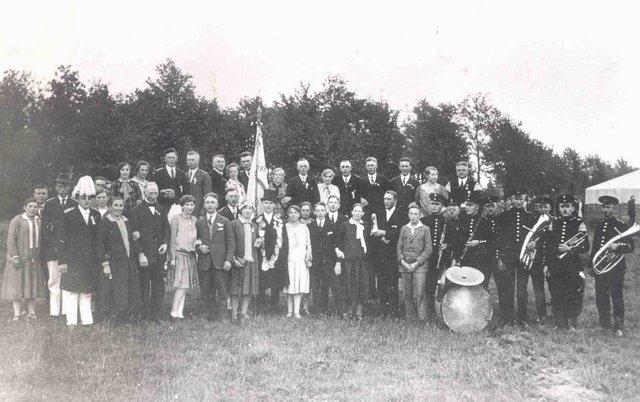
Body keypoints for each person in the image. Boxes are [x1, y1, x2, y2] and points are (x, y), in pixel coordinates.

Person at [58, 176, 101, 326]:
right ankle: (71, 321)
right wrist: (62, 261)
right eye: (83, 198)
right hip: (72, 258)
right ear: (77, 198)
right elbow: (62, 239)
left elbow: (98, 240)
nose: (87, 201)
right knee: (72, 290)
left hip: (90, 260)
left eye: (90, 198)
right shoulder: (68, 214)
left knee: (86, 290)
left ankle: (87, 320)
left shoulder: (96, 214)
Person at [543, 194, 590, 329]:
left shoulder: (578, 223)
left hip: (572, 266)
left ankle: (573, 323)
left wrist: (570, 249)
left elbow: (586, 246)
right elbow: (548, 246)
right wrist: (546, 264)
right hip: (556, 265)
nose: (564, 209)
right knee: (557, 293)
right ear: (559, 208)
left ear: (573, 208)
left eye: (567, 206)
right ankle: (560, 323)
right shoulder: (554, 223)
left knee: (572, 294)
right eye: (562, 207)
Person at [591, 195, 635, 337]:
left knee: (616, 296)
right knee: (601, 296)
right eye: (604, 207)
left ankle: (618, 326)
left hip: (616, 267)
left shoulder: (621, 225)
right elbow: (596, 247)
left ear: (614, 208)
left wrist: (617, 246)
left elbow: (630, 247)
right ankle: (604, 325)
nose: (606, 209)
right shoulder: (599, 225)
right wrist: (592, 264)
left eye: (608, 207)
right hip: (601, 266)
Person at [95, 197, 141, 323]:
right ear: (110, 206)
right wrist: (105, 263)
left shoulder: (127, 221)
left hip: (128, 261)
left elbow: (132, 240)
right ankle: (113, 318)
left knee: (129, 288)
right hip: (114, 262)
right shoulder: (105, 222)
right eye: (115, 205)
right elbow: (100, 245)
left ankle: (127, 316)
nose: (118, 208)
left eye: (121, 205)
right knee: (115, 289)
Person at [130, 182, 170, 321]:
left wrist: (165, 243)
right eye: (150, 193)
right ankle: (144, 315)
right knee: (144, 286)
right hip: (144, 256)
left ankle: (157, 314)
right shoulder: (136, 210)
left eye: (156, 193)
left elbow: (167, 229)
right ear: (144, 193)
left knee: (159, 286)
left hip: (159, 255)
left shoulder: (161, 208)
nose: (153, 196)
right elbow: (133, 235)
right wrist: (140, 253)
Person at [496, 187, 535, 325]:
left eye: (521, 198)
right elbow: (499, 238)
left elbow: (535, 235)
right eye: (515, 198)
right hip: (508, 256)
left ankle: (522, 319)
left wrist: (534, 242)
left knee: (522, 289)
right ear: (511, 200)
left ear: (525, 200)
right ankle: (508, 319)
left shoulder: (531, 216)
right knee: (508, 288)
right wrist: (500, 257)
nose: (518, 201)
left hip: (524, 257)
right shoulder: (503, 216)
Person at [2, 198, 46, 321]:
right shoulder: (18, 220)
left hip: (33, 259)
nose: (33, 209)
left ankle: (31, 313)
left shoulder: (39, 221)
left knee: (31, 286)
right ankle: (16, 314)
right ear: (25, 207)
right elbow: (11, 239)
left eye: (35, 207)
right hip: (20, 258)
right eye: (30, 206)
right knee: (17, 286)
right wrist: (15, 256)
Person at [41, 173, 77, 318]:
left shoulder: (74, 203)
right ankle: (55, 311)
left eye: (66, 186)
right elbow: (44, 229)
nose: (62, 189)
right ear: (56, 187)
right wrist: (55, 244)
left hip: (69, 249)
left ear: (70, 187)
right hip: (53, 249)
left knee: (67, 279)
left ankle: (66, 310)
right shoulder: (49, 204)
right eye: (60, 186)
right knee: (54, 279)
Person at [196, 192, 234, 321]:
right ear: (204, 205)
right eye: (207, 202)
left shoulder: (224, 221)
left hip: (220, 262)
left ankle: (223, 316)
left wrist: (228, 260)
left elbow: (230, 242)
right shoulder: (200, 221)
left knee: (222, 289)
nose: (210, 205)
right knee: (206, 289)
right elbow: (195, 239)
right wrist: (198, 247)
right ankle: (207, 315)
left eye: (212, 202)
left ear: (217, 204)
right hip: (205, 261)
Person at [421, 193, 456, 320]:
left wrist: (447, 245)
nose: (434, 207)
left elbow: (454, 240)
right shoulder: (424, 221)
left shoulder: (447, 221)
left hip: (443, 258)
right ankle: (430, 311)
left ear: (442, 206)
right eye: (432, 204)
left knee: (444, 285)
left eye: (437, 204)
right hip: (429, 258)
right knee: (429, 285)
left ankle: (444, 310)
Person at [370, 190, 404, 317]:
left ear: (395, 201)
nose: (386, 201)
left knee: (393, 282)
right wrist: (377, 234)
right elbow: (374, 231)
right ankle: (383, 310)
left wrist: (384, 233)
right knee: (382, 283)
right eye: (384, 199)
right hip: (381, 254)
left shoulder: (401, 214)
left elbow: (400, 232)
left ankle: (394, 310)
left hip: (393, 254)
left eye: (389, 199)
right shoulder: (379, 213)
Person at [396, 203, 432, 321]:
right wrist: (403, 262)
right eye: (411, 214)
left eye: (416, 214)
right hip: (405, 265)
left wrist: (416, 263)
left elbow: (428, 249)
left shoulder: (425, 229)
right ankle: (410, 316)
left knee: (419, 293)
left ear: (420, 215)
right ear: (408, 215)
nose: (413, 216)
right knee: (407, 292)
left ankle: (422, 318)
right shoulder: (404, 229)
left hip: (419, 266)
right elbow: (399, 247)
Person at [255, 190, 288, 314]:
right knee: (261, 282)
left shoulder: (279, 221)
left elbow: (283, 240)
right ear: (262, 204)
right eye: (266, 203)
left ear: (274, 205)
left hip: (276, 255)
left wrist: (282, 256)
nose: (268, 205)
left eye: (271, 203)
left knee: (275, 282)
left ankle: (274, 307)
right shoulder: (257, 220)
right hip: (261, 255)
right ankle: (260, 306)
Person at [335, 203, 370, 319]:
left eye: (360, 211)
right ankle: (349, 311)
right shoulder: (345, 225)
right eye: (355, 211)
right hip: (348, 261)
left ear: (363, 213)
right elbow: (338, 243)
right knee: (348, 285)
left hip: (361, 261)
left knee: (361, 285)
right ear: (351, 212)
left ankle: (359, 312)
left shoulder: (365, 225)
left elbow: (368, 242)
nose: (357, 213)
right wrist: (339, 257)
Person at [167, 195, 199, 319]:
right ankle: (173, 312)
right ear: (182, 206)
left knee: (186, 286)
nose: (189, 207)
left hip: (190, 255)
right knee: (181, 285)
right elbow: (172, 239)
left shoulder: (195, 220)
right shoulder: (176, 219)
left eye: (191, 204)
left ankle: (180, 312)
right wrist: (173, 258)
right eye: (187, 204)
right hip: (180, 255)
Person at [525, 195, 554, 321]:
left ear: (550, 207)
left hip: (551, 259)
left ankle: (556, 311)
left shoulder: (555, 221)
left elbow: (554, 240)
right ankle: (541, 314)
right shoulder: (532, 220)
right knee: (538, 287)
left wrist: (538, 243)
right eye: (540, 206)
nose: (543, 209)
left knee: (554, 286)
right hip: (536, 259)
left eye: (545, 206)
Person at [308, 202, 340, 315]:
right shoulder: (310, 226)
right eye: (318, 210)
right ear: (314, 212)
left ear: (326, 211)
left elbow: (335, 243)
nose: (320, 212)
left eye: (322, 210)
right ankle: (316, 309)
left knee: (326, 285)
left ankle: (325, 309)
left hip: (328, 261)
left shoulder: (331, 225)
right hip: (315, 261)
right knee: (316, 286)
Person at [230, 201, 261, 319]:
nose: (247, 211)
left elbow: (256, 240)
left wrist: (258, 241)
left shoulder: (254, 226)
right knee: (235, 287)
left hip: (251, 260)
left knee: (248, 287)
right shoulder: (235, 223)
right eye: (245, 208)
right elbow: (230, 242)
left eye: (250, 209)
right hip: (238, 260)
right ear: (241, 210)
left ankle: (243, 312)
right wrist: (233, 259)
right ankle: (233, 312)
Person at [283, 205, 312, 318]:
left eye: (296, 212)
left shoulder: (304, 228)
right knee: (290, 285)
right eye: (291, 213)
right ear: (288, 214)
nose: (293, 215)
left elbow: (308, 244)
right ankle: (289, 311)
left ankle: (297, 311)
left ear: (299, 214)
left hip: (300, 259)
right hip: (289, 259)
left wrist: (308, 256)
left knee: (299, 284)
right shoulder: (284, 227)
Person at [452, 191, 491, 272]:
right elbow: (457, 241)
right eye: (466, 205)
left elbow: (491, 239)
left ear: (477, 207)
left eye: (470, 205)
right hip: (463, 257)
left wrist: (478, 242)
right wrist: (455, 258)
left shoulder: (484, 221)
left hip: (478, 257)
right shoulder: (462, 220)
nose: (467, 207)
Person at [481, 195, 502, 289]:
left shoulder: (501, 220)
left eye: (492, 206)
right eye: (488, 206)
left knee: (501, 283)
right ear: (485, 208)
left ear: (496, 207)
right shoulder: (481, 221)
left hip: (498, 256)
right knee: (482, 282)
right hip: (485, 256)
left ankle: (503, 304)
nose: (490, 209)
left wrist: (500, 257)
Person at [184, 151, 213, 215]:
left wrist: (202, 214)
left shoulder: (204, 176)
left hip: (198, 212)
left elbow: (207, 197)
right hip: (185, 212)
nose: (190, 162)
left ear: (198, 161)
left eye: (193, 160)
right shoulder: (184, 175)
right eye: (188, 160)